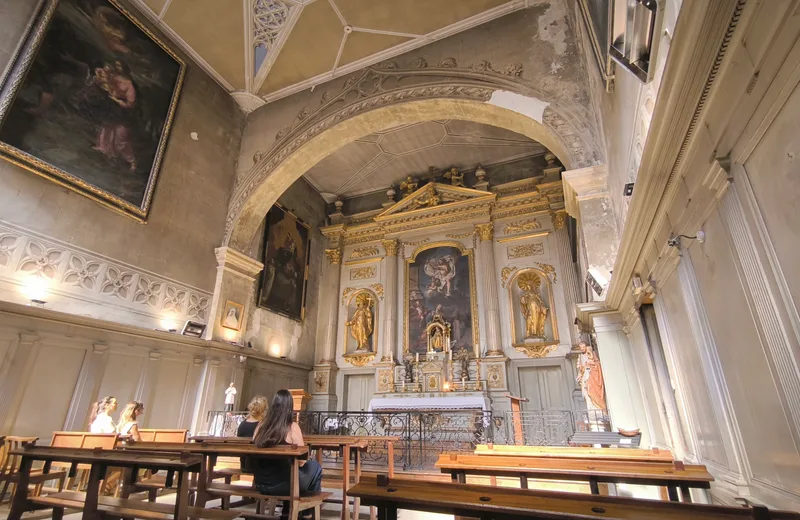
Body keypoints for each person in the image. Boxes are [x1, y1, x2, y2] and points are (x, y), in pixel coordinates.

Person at [253, 390, 322, 516]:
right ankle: (303, 512)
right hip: (283, 485)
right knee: (315, 467)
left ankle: (291, 511)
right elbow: (302, 461)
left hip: (260, 483)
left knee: (290, 472)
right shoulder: (291, 427)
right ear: (290, 407)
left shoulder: (260, 426)